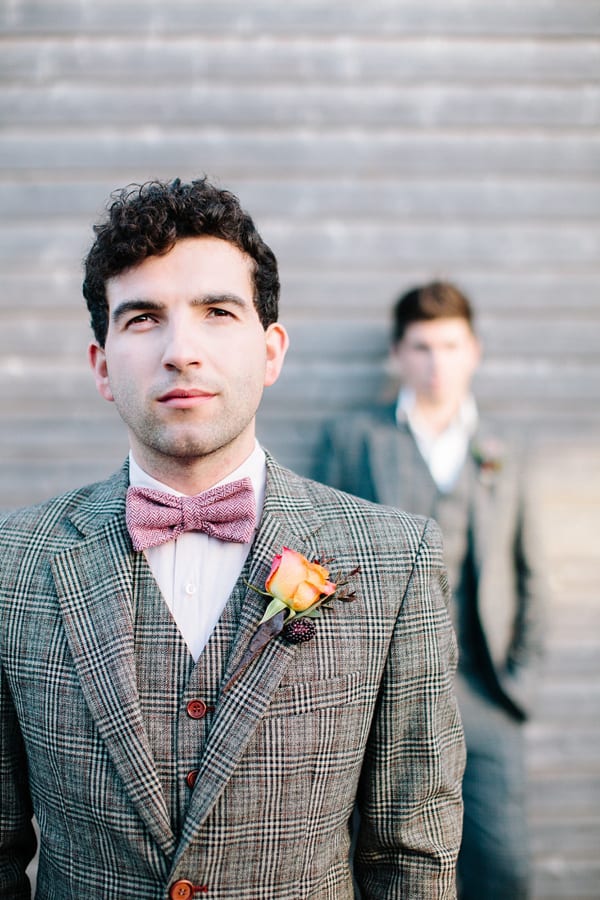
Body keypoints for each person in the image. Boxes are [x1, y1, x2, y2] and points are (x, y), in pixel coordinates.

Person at [0, 180, 465, 900]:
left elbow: (411, 856)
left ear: (271, 351)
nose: (181, 350)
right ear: (100, 365)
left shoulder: (396, 561)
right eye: (143, 318)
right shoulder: (11, 563)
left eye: (217, 312)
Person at [316, 281, 547, 900]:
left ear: (473, 350)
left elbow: (528, 573)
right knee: (394, 865)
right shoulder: (354, 442)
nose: (436, 363)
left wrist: (518, 682)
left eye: (450, 345)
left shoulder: (505, 449)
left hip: (485, 694)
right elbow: (323, 566)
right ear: (397, 355)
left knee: (504, 869)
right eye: (421, 347)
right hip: (383, 694)